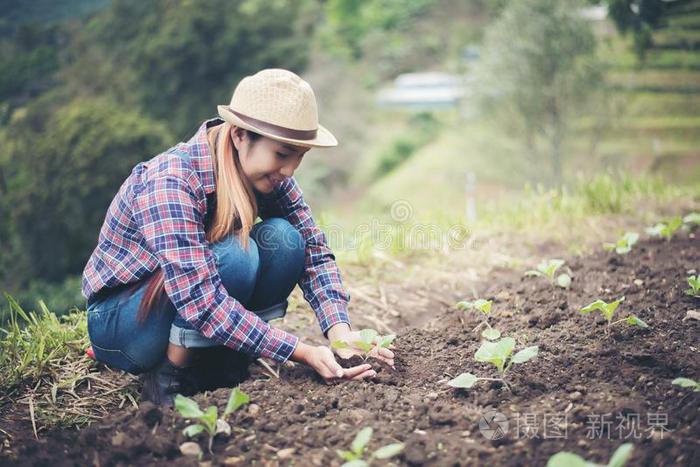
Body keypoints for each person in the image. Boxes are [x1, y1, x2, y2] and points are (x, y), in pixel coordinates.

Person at [82, 69, 394, 405]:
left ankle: (221, 359)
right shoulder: (171, 181)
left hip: (183, 308)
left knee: (286, 240)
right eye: (282, 154)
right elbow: (200, 301)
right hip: (122, 324)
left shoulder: (268, 177)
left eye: (300, 157)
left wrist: (341, 334)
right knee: (236, 254)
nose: (289, 170)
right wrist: (300, 351)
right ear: (239, 135)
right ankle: (168, 376)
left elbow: (314, 252)